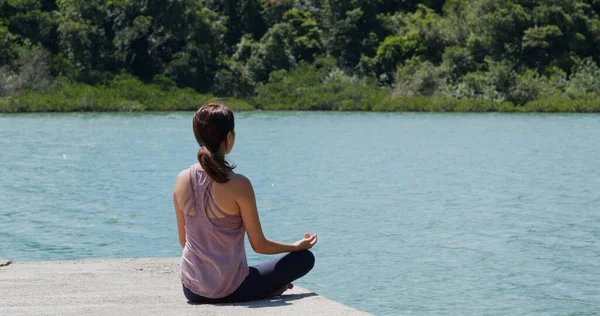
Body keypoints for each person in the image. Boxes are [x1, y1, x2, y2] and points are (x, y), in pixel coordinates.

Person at [172, 103, 317, 304]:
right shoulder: (239, 184)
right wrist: (295, 246)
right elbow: (260, 245)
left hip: (191, 290)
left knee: (254, 271)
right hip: (232, 289)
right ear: (229, 138)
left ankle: (265, 287)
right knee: (304, 259)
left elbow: (184, 242)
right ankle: (267, 289)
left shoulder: (181, 179)